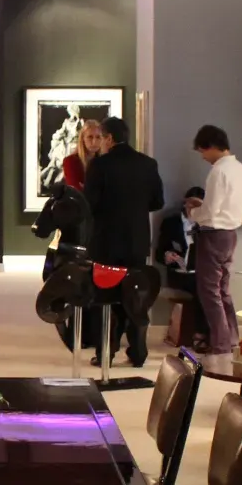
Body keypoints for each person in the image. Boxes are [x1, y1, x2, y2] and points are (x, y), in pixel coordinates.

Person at [83, 115, 164, 366]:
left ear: (109, 138)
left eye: (102, 137)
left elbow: (90, 204)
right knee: (135, 294)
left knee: (105, 298)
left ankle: (106, 351)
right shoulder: (147, 164)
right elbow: (157, 202)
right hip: (137, 240)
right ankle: (138, 351)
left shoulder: (100, 166)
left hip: (106, 241)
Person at [189, 124, 242, 356]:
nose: (203, 157)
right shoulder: (240, 168)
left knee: (209, 291)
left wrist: (193, 212)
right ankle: (232, 338)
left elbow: (211, 212)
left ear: (211, 147)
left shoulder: (218, 171)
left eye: (202, 151)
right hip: (231, 234)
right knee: (223, 289)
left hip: (213, 235)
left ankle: (221, 344)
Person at [156, 186, 204, 292]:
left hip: (200, 280)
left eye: (197, 206)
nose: (192, 210)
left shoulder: (206, 227)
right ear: (185, 204)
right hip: (177, 278)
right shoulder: (170, 223)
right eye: (190, 205)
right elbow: (158, 253)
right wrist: (166, 256)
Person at [61, 118, 104, 190]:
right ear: (82, 139)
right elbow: (76, 191)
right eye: (90, 137)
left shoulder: (103, 162)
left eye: (98, 137)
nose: (94, 142)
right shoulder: (70, 161)